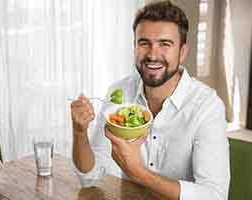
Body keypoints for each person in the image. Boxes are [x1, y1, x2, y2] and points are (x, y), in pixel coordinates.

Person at [70, 1, 230, 200]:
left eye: (165, 44)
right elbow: (89, 178)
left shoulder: (207, 106)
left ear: (182, 52)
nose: (153, 55)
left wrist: (138, 173)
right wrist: (79, 132)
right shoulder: (120, 91)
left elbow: (214, 196)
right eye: (144, 43)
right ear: (135, 47)